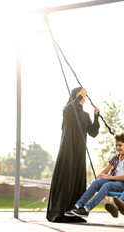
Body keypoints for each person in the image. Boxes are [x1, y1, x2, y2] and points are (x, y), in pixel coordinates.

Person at [46, 87, 100, 223]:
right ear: (74, 97)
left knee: (77, 180)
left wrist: (96, 117)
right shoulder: (68, 111)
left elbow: (93, 132)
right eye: (79, 96)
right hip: (68, 150)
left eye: (84, 97)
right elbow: (68, 109)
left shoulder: (85, 115)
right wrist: (78, 96)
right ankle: (59, 212)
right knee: (67, 179)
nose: (82, 99)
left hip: (79, 152)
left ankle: (73, 213)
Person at [64, 131, 124, 219]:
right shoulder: (116, 157)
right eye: (116, 145)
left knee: (107, 185)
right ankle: (77, 206)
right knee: (97, 182)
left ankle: (86, 209)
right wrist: (97, 180)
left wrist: (109, 177)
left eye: (120, 145)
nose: (117, 148)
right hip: (113, 181)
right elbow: (105, 171)